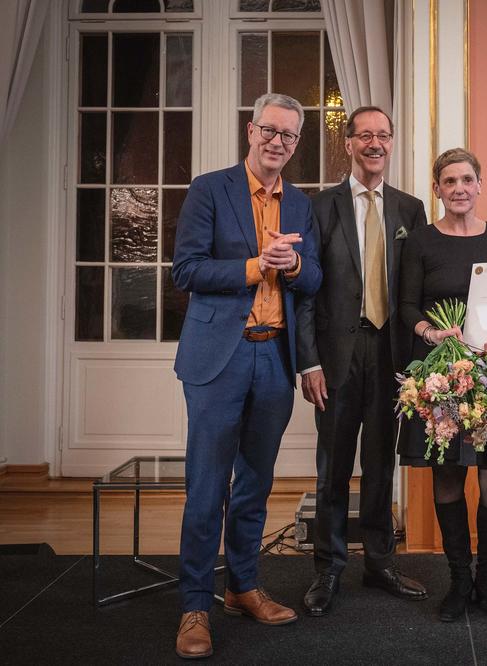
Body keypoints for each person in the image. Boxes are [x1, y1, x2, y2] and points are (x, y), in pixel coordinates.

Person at [171, 92, 321, 659]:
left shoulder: (302, 204)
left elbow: (314, 281)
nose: (277, 142)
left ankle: (242, 586)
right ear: (250, 131)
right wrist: (257, 265)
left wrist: (298, 266)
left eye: (289, 135)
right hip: (219, 356)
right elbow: (186, 270)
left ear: (296, 143)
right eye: (270, 131)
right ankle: (193, 605)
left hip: (273, 358)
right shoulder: (211, 189)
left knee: (256, 483)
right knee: (207, 487)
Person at [296, 106, 428, 616]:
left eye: (383, 135)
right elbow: (306, 292)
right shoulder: (318, 206)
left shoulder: (409, 209)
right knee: (332, 467)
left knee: (380, 463)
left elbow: (415, 290)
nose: (375, 143)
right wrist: (308, 361)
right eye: (365, 135)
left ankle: (379, 562)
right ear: (347, 143)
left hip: (391, 355)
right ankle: (328, 569)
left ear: (392, 144)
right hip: (335, 358)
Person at [398, 148, 487, 623]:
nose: (459, 188)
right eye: (449, 181)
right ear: (436, 189)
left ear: (480, 185)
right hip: (440, 370)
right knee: (448, 477)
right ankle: (459, 581)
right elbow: (406, 307)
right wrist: (432, 334)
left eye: (467, 180)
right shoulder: (419, 242)